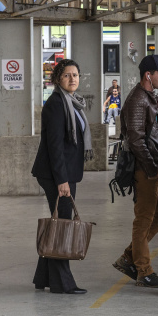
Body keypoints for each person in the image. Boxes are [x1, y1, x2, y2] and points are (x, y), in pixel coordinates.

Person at [112, 55, 158, 289]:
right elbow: (136, 139)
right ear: (148, 75)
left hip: (155, 165)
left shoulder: (149, 97)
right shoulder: (138, 99)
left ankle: (130, 257)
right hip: (144, 167)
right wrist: (150, 168)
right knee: (144, 218)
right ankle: (144, 271)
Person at [32, 59, 93, 295]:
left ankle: (43, 277)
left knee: (58, 223)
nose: (73, 79)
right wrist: (62, 180)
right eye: (67, 75)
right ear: (58, 78)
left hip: (64, 172)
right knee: (63, 226)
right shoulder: (56, 104)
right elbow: (54, 145)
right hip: (56, 174)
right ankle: (62, 283)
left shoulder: (73, 103)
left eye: (76, 75)